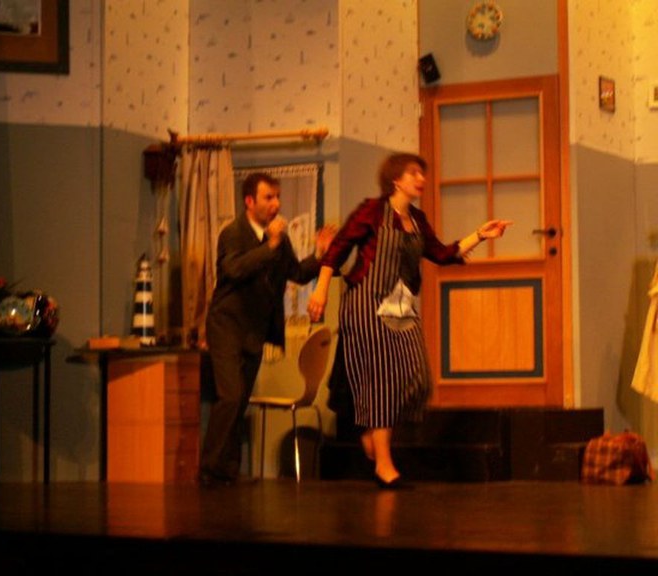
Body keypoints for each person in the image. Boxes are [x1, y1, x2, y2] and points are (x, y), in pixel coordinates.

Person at [307, 152, 511, 490]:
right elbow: (338, 250)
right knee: (383, 381)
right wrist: (321, 291)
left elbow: (442, 253)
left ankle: (368, 431)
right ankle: (385, 466)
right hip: (366, 303)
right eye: (414, 173)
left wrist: (480, 234)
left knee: (418, 380)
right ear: (396, 180)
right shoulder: (372, 211)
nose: (421, 179)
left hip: (401, 306)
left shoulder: (416, 219)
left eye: (422, 173)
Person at [200, 172, 337, 487]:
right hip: (226, 326)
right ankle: (209, 469)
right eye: (268, 197)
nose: (276, 204)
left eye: (278, 197)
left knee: (240, 400)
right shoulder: (233, 232)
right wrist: (270, 244)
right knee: (230, 397)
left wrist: (319, 255)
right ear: (250, 201)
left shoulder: (281, 239)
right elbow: (233, 269)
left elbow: (296, 273)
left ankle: (228, 471)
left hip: (254, 329)